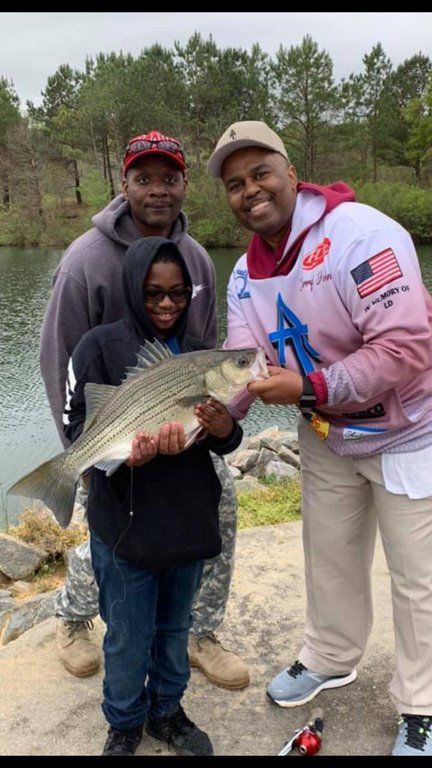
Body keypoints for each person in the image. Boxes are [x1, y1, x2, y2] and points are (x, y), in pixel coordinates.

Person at [207, 120, 432, 757]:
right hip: (327, 433)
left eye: (260, 173)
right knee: (328, 553)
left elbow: (408, 345)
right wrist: (203, 416)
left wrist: (309, 385)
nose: (249, 190)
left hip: (407, 431)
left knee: (419, 577)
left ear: (290, 170)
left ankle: (422, 704)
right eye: (233, 184)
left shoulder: (360, 234)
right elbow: (243, 364)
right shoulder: (246, 275)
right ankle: (332, 654)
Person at [39, 130, 249, 690]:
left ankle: (200, 631)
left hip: (179, 427)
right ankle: (73, 617)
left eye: (170, 178)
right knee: (111, 533)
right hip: (114, 425)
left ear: (184, 185)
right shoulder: (84, 261)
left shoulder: (198, 259)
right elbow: (60, 358)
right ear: (125, 184)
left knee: (220, 512)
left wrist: (202, 432)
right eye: (144, 178)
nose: (158, 190)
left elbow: (202, 350)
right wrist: (81, 454)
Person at [64, 235, 244, 755]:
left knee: (173, 630)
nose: (166, 304)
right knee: (126, 635)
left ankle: (167, 711)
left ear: (191, 294)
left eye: (178, 293)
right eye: (152, 293)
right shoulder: (97, 347)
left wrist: (221, 425)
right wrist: (123, 457)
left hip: (186, 523)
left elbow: (229, 442)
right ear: (131, 289)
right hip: (123, 527)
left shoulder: (198, 355)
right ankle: (124, 723)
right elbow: (78, 431)